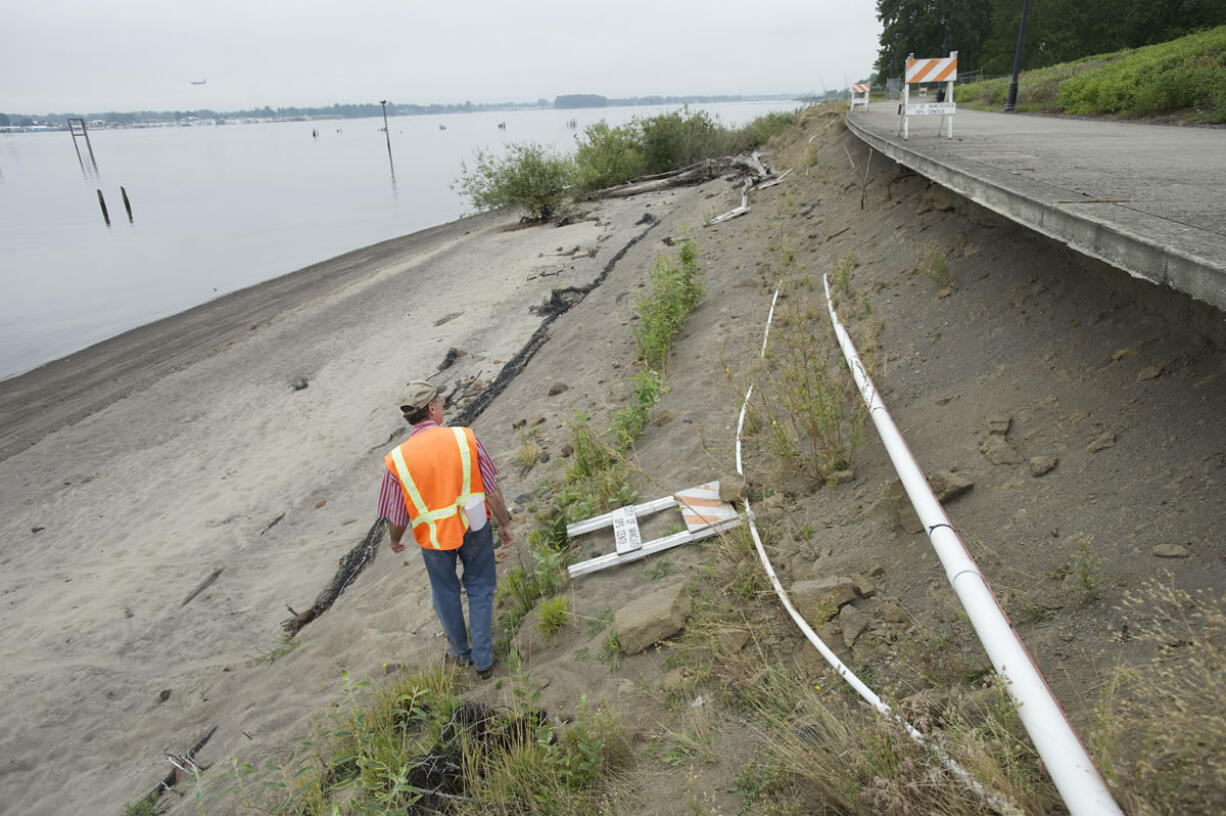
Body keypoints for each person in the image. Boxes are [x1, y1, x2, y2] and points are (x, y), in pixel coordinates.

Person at [376, 381, 514, 678]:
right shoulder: (465, 439)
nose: (442, 406)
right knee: (479, 588)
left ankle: (460, 653)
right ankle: (484, 660)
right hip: (474, 527)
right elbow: (491, 491)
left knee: (445, 594)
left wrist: (395, 541)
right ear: (432, 409)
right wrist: (504, 523)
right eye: (440, 402)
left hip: (434, 539)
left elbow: (397, 515)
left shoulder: (397, 460)